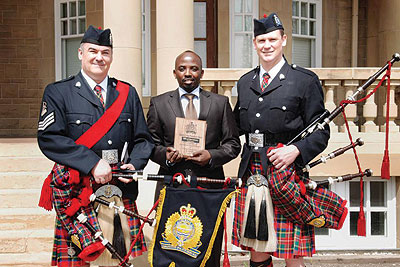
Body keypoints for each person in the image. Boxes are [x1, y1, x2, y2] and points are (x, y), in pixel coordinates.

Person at [37, 25, 154, 267]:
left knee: (118, 262)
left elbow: (143, 139)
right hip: (78, 193)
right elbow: (50, 138)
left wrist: (135, 164)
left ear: (111, 56)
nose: (99, 57)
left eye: (105, 52)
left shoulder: (127, 92)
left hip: (118, 192)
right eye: (93, 51)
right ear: (80, 53)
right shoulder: (58, 92)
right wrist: (92, 163)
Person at [232, 13, 330, 267]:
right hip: (252, 173)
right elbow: (232, 129)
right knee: (257, 250)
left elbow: (321, 131)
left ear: (284, 40)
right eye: (261, 40)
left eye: (272, 39)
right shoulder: (245, 83)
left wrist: (296, 150)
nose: (267, 45)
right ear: (254, 43)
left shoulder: (304, 81)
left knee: (291, 252)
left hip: (287, 174)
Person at [146, 50, 241, 266]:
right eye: (182, 69)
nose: (188, 73)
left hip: (209, 186)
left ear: (202, 72)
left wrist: (211, 156)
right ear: (175, 73)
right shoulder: (159, 103)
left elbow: (233, 144)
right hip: (172, 184)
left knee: (208, 247)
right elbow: (149, 145)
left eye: (193, 68)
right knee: (170, 248)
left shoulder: (219, 103)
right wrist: (166, 156)